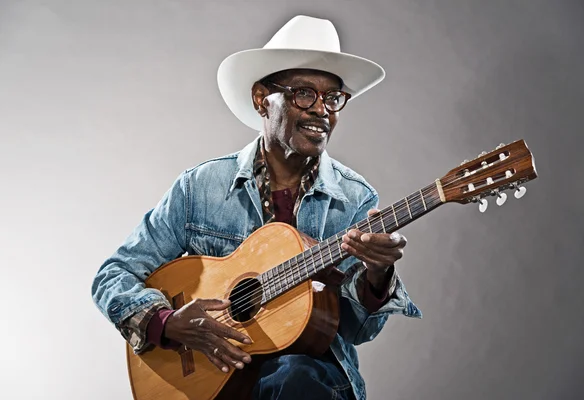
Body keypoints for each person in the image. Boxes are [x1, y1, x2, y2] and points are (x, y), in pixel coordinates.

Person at [92, 15, 422, 400]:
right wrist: (164, 323)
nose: (322, 110)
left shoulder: (355, 199)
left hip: (308, 385)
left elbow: (355, 331)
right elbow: (113, 274)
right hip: (216, 380)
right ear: (262, 100)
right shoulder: (200, 187)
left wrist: (377, 276)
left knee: (296, 376)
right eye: (304, 94)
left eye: (332, 98)